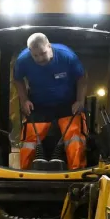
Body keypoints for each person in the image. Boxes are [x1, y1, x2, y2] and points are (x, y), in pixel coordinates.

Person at [13, 33, 87, 170]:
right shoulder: (22, 60)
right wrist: (24, 100)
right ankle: (25, 173)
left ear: (49, 46)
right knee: (29, 138)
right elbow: (17, 79)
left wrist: (79, 101)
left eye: (43, 53)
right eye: (35, 55)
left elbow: (82, 78)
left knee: (74, 135)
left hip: (68, 104)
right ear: (30, 52)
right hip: (39, 105)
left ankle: (76, 172)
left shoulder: (67, 56)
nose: (40, 59)